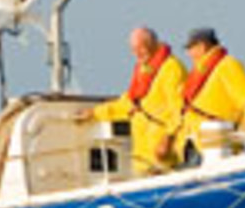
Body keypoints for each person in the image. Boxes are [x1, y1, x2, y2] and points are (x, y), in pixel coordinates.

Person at [79, 26, 186, 175]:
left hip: (164, 156)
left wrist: (168, 138)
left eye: (142, 47)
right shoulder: (143, 70)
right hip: (142, 156)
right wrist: (94, 113)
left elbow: (180, 108)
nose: (137, 53)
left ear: (154, 43)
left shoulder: (172, 69)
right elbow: (128, 103)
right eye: (134, 49)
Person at [157, 27, 245, 167]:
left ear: (201, 47)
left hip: (213, 146)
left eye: (190, 48)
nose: (189, 54)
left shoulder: (227, 66)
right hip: (194, 144)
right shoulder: (199, 71)